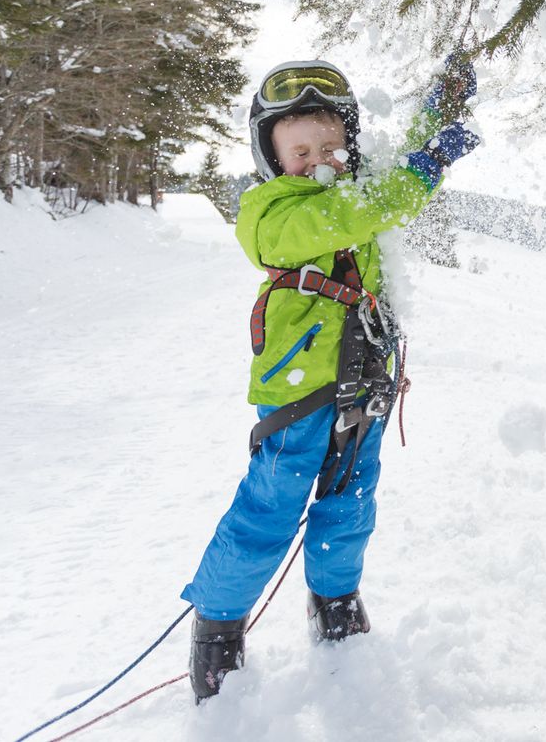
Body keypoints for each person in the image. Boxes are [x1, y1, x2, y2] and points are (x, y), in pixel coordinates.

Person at [181, 57, 478, 703]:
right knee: (268, 511)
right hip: (299, 394)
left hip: (365, 382)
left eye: (332, 149)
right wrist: (428, 167)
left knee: (350, 503)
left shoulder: (354, 191)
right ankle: (218, 625)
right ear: (272, 158)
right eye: (301, 153)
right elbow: (362, 211)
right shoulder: (270, 213)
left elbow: (388, 169)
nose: (320, 163)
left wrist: (440, 109)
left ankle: (335, 598)